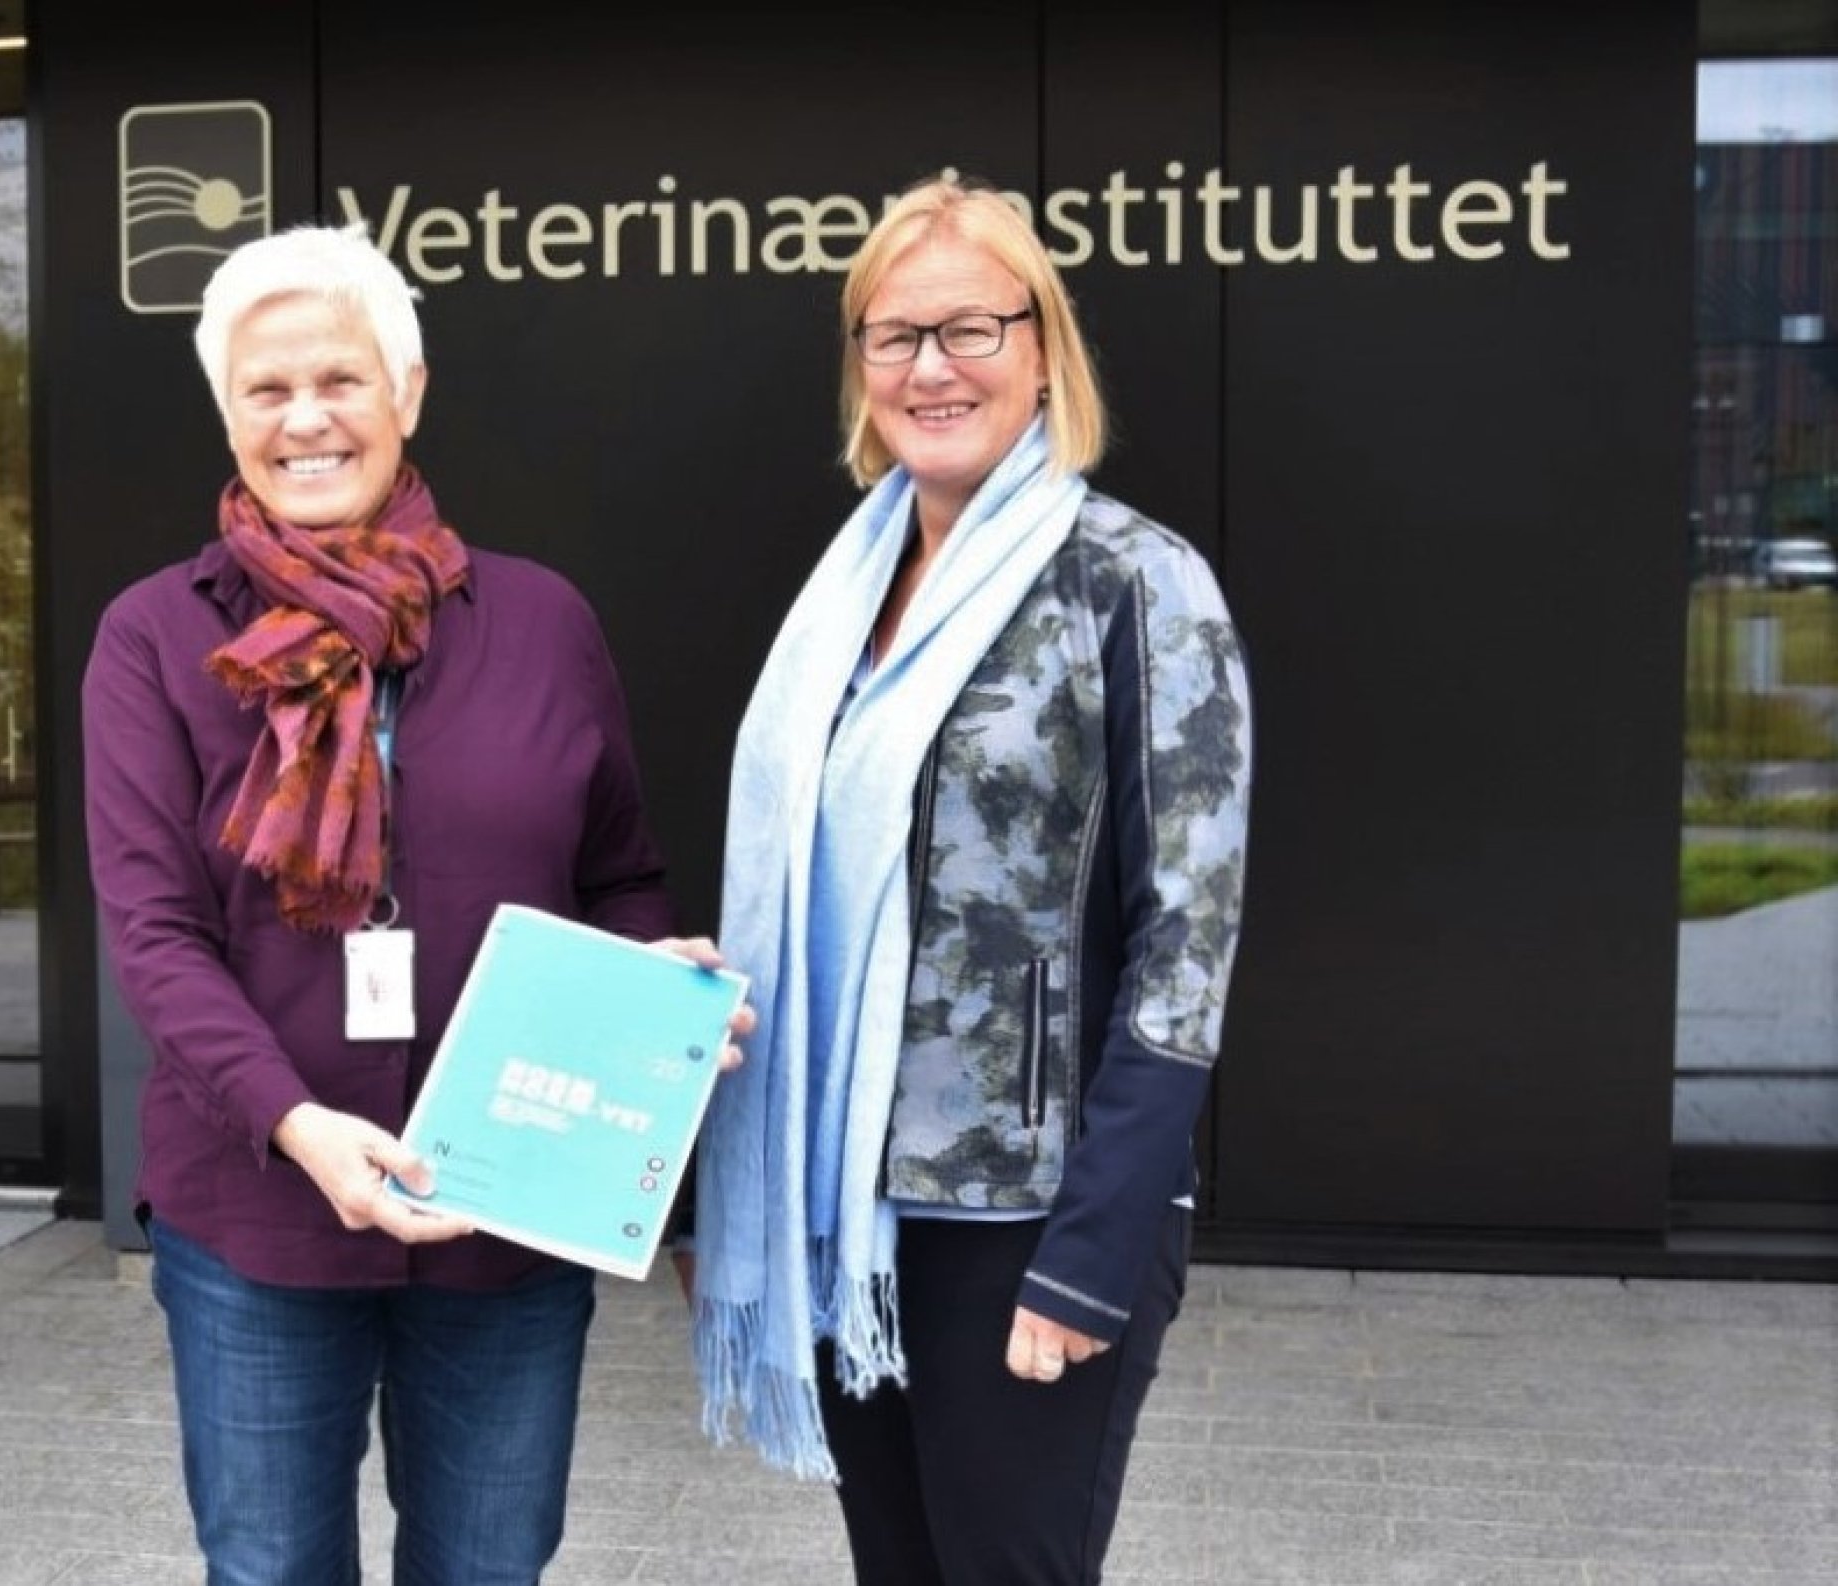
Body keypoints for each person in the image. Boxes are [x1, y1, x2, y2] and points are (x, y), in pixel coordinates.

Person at [84, 222, 739, 1586]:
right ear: (227, 412)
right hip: (256, 1215)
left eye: (341, 378)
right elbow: (154, 935)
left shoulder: (545, 621)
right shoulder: (156, 638)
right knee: (268, 1571)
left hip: (505, 1214)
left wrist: (648, 991)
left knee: (491, 1568)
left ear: (410, 392)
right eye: (267, 390)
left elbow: (618, 872)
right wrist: (299, 1125)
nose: (307, 417)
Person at [691, 174, 1254, 1585]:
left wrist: (1094, 1254)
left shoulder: (1135, 583)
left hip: (1029, 1222)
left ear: (1043, 350)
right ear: (859, 368)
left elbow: (1190, 942)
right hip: (852, 1213)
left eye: (970, 328)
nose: (930, 366)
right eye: (893, 336)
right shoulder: (847, 593)